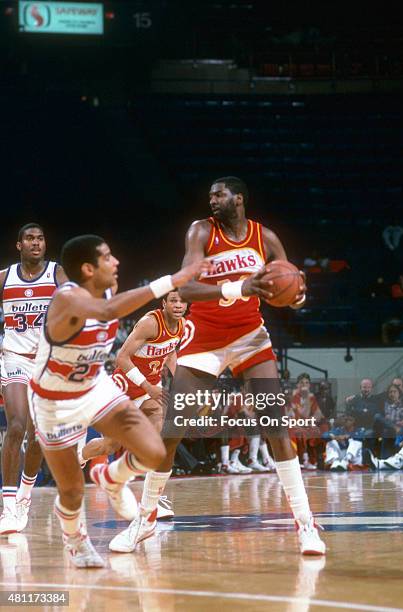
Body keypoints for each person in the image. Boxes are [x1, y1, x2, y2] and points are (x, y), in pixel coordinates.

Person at [106, 176, 326, 556]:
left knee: (275, 424)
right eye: (210, 194)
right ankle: (145, 520)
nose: (212, 199)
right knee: (173, 432)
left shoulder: (265, 238)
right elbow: (186, 288)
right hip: (203, 337)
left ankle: (306, 525)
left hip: (249, 336)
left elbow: (290, 290)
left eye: (220, 194)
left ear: (239, 198)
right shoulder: (201, 232)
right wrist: (238, 288)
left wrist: (297, 297)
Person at [28, 234, 210, 568]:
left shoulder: (111, 293)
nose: (116, 262)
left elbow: (117, 312)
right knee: (70, 492)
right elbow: (109, 311)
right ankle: (76, 540)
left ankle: (112, 476)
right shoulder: (68, 299)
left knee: (156, 450)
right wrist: (174, 280)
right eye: (108, 257)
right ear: (87, 268)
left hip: (95, 387)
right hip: (55, 401)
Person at [79, 290, 188, 519]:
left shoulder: (182, 326)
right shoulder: (150, 323)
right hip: (124, 389)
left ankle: (153, 502)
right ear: (164, 303)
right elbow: (121, 358)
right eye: (174, 300)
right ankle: (79, 456)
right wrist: (148, 386)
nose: (179, 305)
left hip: (150, 392)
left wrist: (179, 381)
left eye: (183, 301)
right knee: (109, 447)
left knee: (159, 442)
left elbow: (169, 353)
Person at [0, 223, 67, 534]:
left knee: (39, 436)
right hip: (13, 359)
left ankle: (25, 496)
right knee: (15, 427)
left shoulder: (57, 274)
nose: (36, 243)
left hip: (47, 363)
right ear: (19, 245)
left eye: (40, 238)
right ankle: (9, 506)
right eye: (29, 238)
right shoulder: (5, 277)